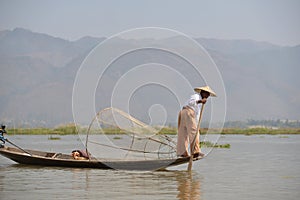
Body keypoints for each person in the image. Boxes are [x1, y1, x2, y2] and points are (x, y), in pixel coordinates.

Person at [177, 86, 216, 158]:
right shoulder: (196, 96)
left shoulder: (200, 101)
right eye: (206, 93)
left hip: (184, 113)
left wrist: (197, 125)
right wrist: (200, 101)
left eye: (208, 94)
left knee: (183, 133)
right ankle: (195, 151)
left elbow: (197, 115)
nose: (207, 96)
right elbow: (191, 102)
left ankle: (182, 152)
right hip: (188, 112)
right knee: (194, 133)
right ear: (202, 92)